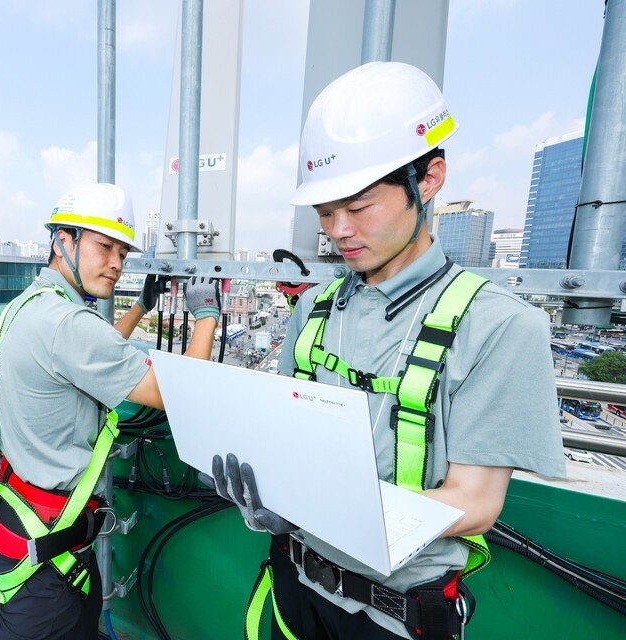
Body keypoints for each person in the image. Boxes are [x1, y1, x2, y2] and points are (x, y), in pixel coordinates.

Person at [209, 62, 565, 639]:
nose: (340, 230)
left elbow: (475, 502)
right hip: (294, 588)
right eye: (326, 212)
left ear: (428, 179)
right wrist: (269, 493)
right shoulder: (313, 310)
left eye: (360, 205)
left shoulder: (497, 325)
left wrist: (334, 512)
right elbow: (284, 440)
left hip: (395, 615)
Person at [0, 183, 221, 640]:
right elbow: (183, 392)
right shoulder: (68, 323)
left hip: (24, 526)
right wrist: (206, 316)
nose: (116, 263)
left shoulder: (30, 306)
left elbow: (93, 357)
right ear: (63, 240)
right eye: (104, 246)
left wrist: (141, 306)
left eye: (122, 252)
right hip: (48, 561)